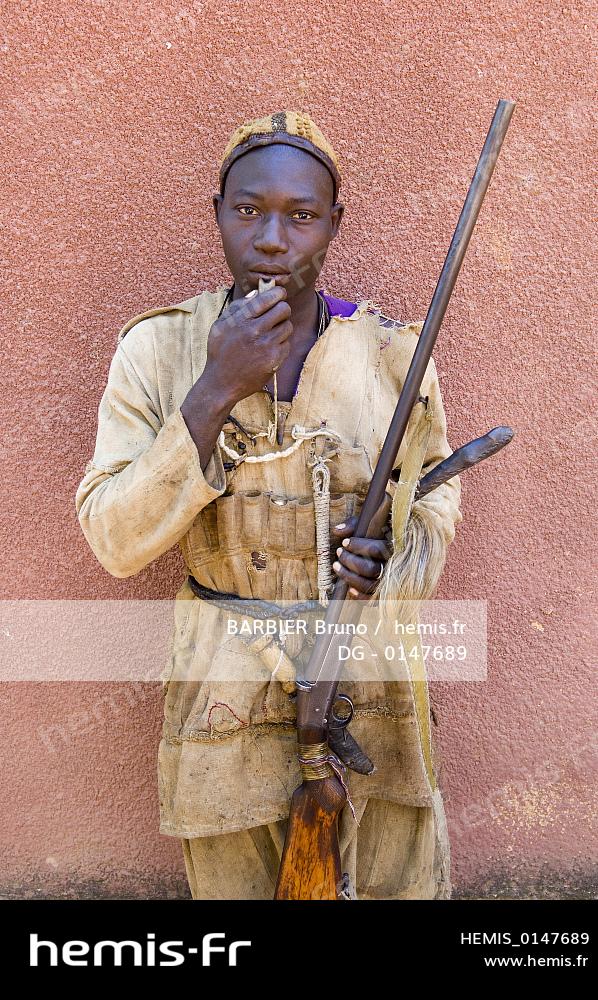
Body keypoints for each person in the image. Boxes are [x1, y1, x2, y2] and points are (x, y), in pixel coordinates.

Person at [75, 111, 462, 900]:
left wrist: (389, 558)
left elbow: (434, 501)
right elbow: (114, 539)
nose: (273, 239)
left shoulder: (393, 354)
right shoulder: (157, 350)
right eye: (249, 210)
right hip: (224, 692)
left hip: (370, 684)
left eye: (302, 215)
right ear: (217, 211)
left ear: (334, 224)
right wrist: (215, 389)